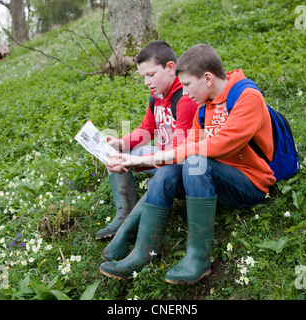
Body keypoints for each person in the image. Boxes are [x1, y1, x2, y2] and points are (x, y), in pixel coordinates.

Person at [99, 44, 276, 284]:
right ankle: (142, 253)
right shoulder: (203, 106)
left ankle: (198, 258)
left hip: (249, 184)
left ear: (207, 78)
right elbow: (183, 150)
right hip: (213, 180)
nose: (184, 92)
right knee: (166, 174)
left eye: (187, 85)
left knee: (195, 161)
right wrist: (134, 157)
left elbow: (214, 147)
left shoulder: (247, 98)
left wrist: (142, 158)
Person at [95, 40, 198, 241]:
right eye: (143, 77)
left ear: (170, 68)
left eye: (151, 75)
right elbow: (146, 129)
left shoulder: (184, 99)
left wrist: (137, 160)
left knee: (131, 161)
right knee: (116, 156)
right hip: (162, 156)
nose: (146, 82)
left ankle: (132, 226)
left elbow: (179, 153)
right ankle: (123, 216)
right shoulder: (156, 96)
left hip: (182, 164)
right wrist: (119, 143)